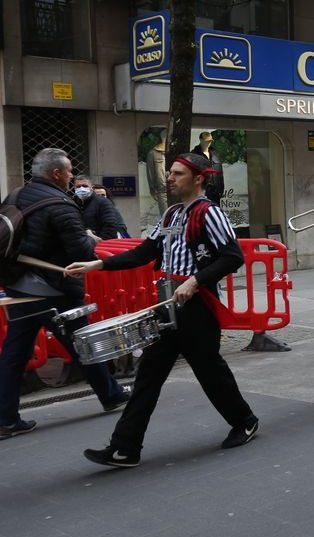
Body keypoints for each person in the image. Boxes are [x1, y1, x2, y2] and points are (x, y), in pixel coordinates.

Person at [71, 152, 259, 466]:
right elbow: (146, 251)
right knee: (148, 375)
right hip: (167, 304)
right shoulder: (171, 214)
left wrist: (196, 281)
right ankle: (125, 447)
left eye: (178, 173)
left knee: (210, 371)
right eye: (170, 172)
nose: (170, 178)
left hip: (197, 306)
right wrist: (99, 264)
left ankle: (245, 420)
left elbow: (232, 257)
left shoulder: (209, 213)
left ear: (198, 178)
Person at [0, 149, 131, 439]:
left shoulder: (15, 196)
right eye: (70, 172)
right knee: (81, 340)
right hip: (52, 287)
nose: (73, 177)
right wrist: (89, 237)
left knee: (16, 350)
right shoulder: (60, 204)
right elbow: (81, 252)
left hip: (18, 284)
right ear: (56, 173)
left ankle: (5, 418)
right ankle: (110, 394)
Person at [72, 175, 127, 240]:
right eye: (78, 186)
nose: (81, 188)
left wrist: (101, 242)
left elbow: (110, 226)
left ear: (91, 188)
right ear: (74, 188)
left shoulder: (103, 202)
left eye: (85, 186)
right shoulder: (72, 203)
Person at [191, 131, 224, 206]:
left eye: (210, 141)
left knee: (215, 213)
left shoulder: (215, 154)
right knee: (201, 213)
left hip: (215, 192)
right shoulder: (194, 155)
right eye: (206, 141)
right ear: (201, 140)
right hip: (201, 192)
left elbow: (220, 173)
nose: (208, 143)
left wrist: (221, 189)